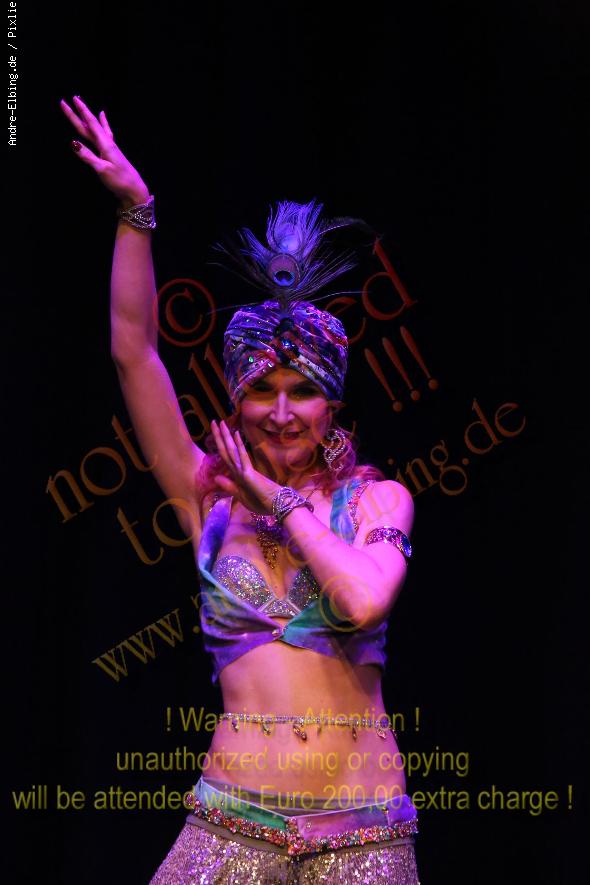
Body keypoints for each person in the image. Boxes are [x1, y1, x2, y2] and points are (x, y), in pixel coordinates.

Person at [61, 95, 421, 884]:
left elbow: (362, 601)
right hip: (232, 825)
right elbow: (133, 351)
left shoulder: (379, 501)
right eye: (261, 389)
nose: (282, 413)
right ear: (235, 397)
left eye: (303, 390)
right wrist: (136, 213)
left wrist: (276, 501)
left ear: (332, 402)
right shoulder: (205, 498)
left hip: (362, 836)